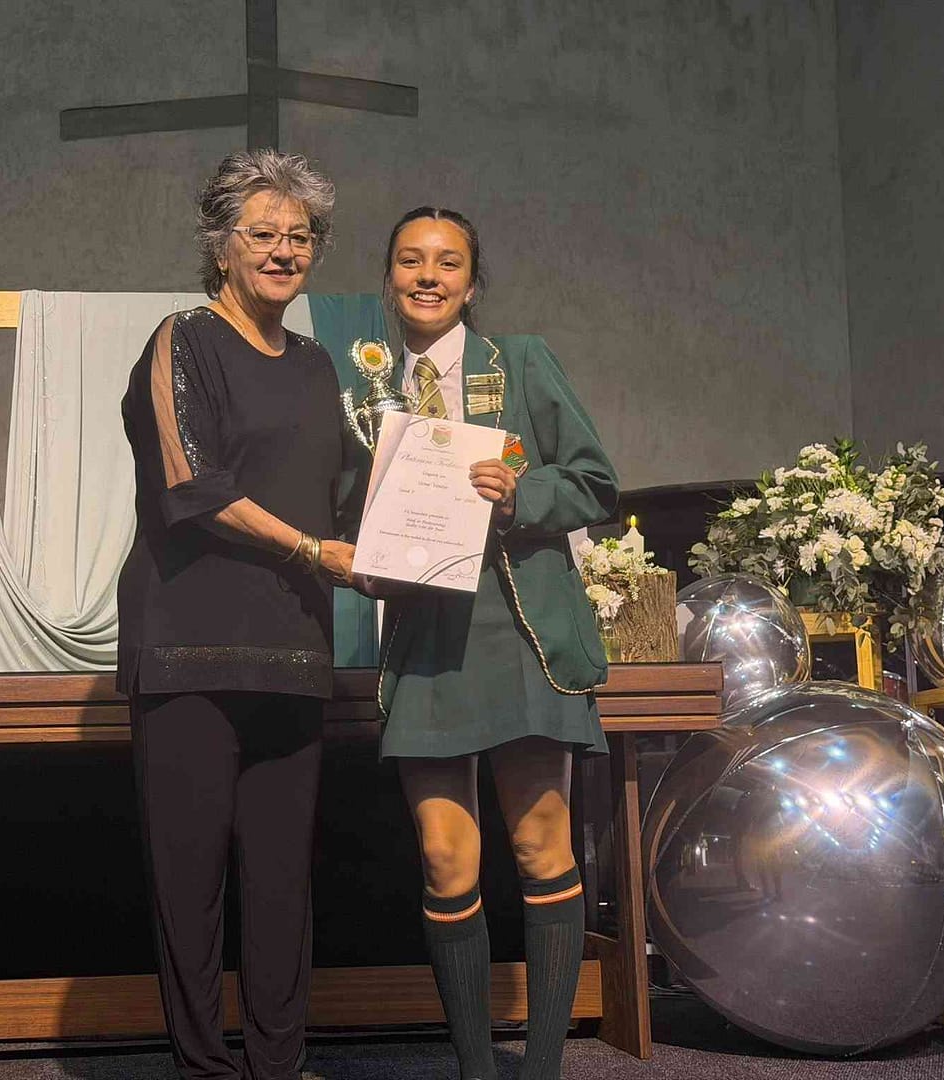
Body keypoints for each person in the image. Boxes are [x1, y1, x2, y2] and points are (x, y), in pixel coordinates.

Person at [117, 149, 355, 1080]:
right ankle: (204, 1069)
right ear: (221, 246)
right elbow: (194, 486)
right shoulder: (184, 338)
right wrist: (313, 551)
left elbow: (351, 493)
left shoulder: (319, 364)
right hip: (190, 650)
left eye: (301, 236)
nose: (283, 250)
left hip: (294, 650)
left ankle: (279, 1066)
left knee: (283, 884)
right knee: (190, 887)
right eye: (263, 234)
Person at [368, 207, 618, 1080]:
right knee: (445, 860)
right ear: (390, 277)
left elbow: (595, 483)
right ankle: (477, 1069)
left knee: (541, 847)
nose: (428, 276)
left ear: (472, 284)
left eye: (448, 263)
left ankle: (541, 1068)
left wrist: (519, 496)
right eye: (411, 260)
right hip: (425, 638)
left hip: (519, 631)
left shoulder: (522, 361)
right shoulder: (366, 387)